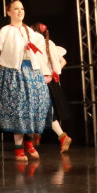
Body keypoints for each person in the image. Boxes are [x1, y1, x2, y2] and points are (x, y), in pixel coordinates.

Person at [0, 1, 53, 161]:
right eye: (16, 9)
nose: (20, 11)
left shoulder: (29, 31)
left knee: (35, 107)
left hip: (33, 74)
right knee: (20, 111)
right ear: (8, 12)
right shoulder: (5, 32)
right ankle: (18, 148)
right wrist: (5, 72)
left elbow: (39, 55)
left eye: (22, 8)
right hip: (16, 74)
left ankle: (29, 142)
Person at [33, 22, 73, 151]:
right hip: (52, 81)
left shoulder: (34, 45)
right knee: (43, 110)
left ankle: (61, 136)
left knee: (42, 110)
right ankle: (37, 137)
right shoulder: (51, 44)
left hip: (40, 81)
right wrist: (53, 72)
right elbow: (63, 61)